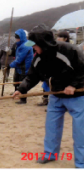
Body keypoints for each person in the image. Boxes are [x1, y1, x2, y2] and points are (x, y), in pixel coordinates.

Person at [13, 24, 84, 168]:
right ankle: (50, 154)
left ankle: (81, 163)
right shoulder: (38, 57)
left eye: (34, 45)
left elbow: (82, 70)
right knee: (51, 127)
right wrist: (21, 89)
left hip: (77, 96)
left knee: (80, 132)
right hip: (56, 95)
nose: (33, 48)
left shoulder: (69, 50)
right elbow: (32, 76)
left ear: (43, 44)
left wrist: (73, 85)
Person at [37, 30, 70, 106]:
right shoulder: (55, 46)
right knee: (47, 84)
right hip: (52, 69)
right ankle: (45, 100)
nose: (58, 38)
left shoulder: (68, 48)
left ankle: (61, 104)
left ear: (65, 38)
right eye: (58, 36)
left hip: (63, 70)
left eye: (60, 37)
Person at [10, 29, 34, 104]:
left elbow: (19, 59)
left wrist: (10, 65)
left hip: (24, 67)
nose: (17, 39)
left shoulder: (26, 45)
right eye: (16, 37)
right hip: (19, 67)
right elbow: (16, 56)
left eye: (18, 37)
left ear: (22, 37)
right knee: (16, 81)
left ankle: (23, 99)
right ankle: (16, 92)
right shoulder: (20, 44)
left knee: (22, 82)